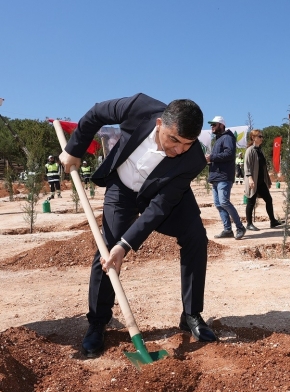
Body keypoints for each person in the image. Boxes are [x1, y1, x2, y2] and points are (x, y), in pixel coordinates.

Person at [59, 94, 217, 357]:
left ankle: (191, 315)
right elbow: (97, 113)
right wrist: (74, 149)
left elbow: (160, 208)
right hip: (122, 188)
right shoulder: (138, 107)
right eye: (174, 140)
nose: (178, 150)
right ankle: (97, 323)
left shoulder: (192, 160)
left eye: (187, 144)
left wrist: (127, 244)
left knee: (195, 236)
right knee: (107, 249)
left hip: (163, 194)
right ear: (158, 123)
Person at [206, 115, 245, 240]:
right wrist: (210, 160)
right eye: (211, 125)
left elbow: (229, 154)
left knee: (224, 202)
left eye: (214, 124)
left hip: (224, 176)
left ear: (221, 125)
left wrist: (212, 157)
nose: (212, 127)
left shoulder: (227, 138)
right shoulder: (218, 139)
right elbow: (219, 156)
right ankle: (227, 230)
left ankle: (240, 227)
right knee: (218, 204)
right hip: (216, 176)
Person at [244, 129, 283, 230]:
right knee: (251, 201)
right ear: (253, 138)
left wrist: (268, 180)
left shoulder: (259, 150)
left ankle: (273, 221)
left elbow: (263, 167)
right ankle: (249, 224)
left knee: (269, 199)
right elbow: (247, 166)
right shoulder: (250, 150)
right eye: (260, 136)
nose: (262, 138)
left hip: (261, 181)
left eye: (262, 136)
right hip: (253, 181)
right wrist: (250, 178)